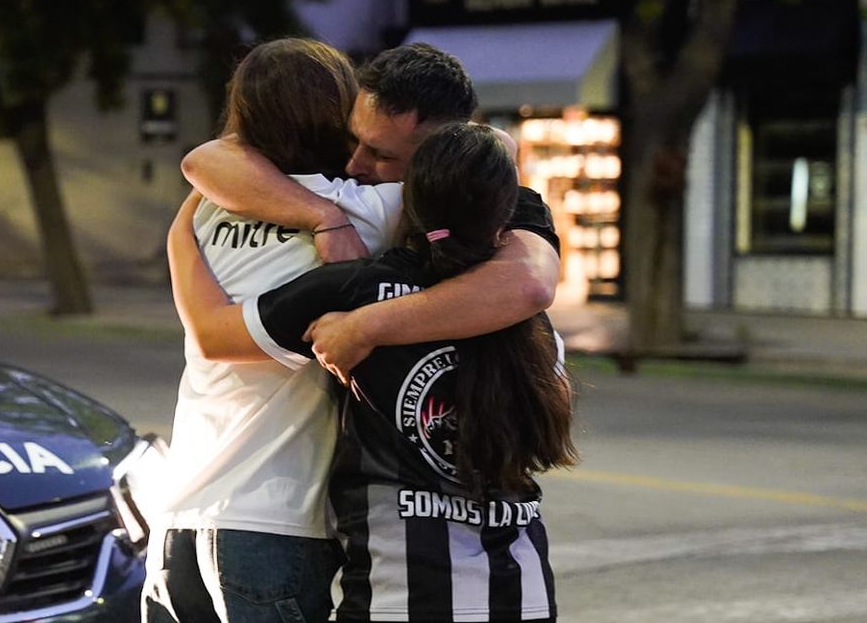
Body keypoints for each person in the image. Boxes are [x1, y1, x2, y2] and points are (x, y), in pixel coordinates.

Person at [169, 122, 578, 622]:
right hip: (525, 595)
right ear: (504, 217)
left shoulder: (353, 295)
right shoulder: (533, 327)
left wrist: (182, 232)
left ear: (405, 200)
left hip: (397, 597)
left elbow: (215, 336)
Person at [143, 37, 403, 623]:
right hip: (273, 522)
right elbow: (489, 154)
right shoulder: (368, 211)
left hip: (179, 518)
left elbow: (205, 157)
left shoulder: (203, 208)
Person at [181, 42, 561, 386]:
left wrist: (362, 328)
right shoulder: (360, 203)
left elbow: (531, 284)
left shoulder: (373, 218)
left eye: (382, 155)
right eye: (351, 138)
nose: (353, 164)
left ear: (438, 152)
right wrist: (323, 216)